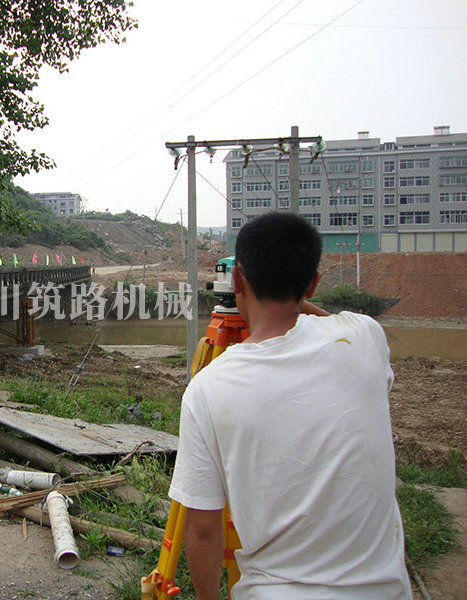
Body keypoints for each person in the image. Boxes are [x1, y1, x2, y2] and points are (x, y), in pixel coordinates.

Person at [169, 212, 412, 599]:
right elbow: (334, 322)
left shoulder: (208, 389)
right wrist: (293, 293)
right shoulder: (365, 338)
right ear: (313, 283)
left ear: (237, 281)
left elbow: (202, 530)